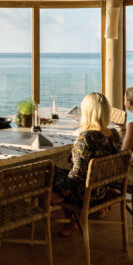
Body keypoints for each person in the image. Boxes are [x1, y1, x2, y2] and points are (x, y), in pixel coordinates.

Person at [52, 92, 122, 235]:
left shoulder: (86, 138)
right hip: (102, 189)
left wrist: (62, 191)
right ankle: (73, 219)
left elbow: (76, 176)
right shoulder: (114, 134)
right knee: (63, 174)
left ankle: (68, 213)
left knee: (50, 171)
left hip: (86, 194)